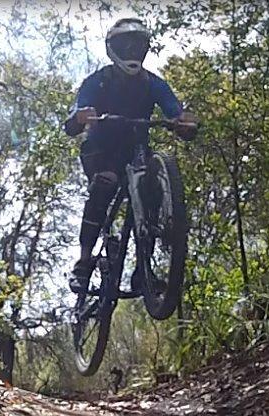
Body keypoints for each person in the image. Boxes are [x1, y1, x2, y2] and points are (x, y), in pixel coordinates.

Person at [63, 17, 198, 292]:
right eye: (126, 45)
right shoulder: (97, 81)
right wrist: (81, 117)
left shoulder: (154, 84)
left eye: (137, 46)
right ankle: (84, 261)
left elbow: (175, 112)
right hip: (101, 148)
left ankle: (143, 271)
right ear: (113, 48)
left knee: (152, 195)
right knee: (106, 182)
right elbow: (75, 118)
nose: (132, 51)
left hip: (136, 149)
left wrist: (183, 123)